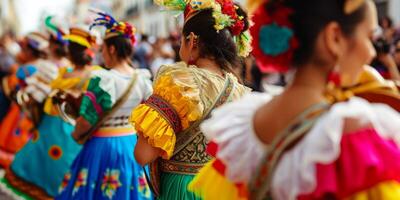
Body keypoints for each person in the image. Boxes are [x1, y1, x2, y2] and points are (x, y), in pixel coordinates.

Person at [189, 0, 400, 199]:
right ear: (334, 37)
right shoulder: (351, 134)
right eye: (368, 37)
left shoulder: (245, 126)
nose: (371, 52)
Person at [129, 0, 251, 199]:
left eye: (181, 41)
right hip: (219, 188)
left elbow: (143, 155)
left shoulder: (179, 84)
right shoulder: (239, 91)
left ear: (192, 40)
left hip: (183, 188)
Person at [56, 12, 153, 200]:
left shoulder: (103, 80)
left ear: (112, 49)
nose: (101, 54)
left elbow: (87, 120)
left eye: (103, 50)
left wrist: (76, 134)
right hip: (132, 146)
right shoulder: (142, 79)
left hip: (103, 147)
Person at [2, 27, 98, 200]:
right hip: (64, 126)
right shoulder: (76, 72)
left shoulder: (84, 75)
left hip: (60, 126)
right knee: (59, 166)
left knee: (53, 166)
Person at [0, 32, 49, 168]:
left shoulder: (27, 68)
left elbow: (11, 86)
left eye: (24, 49)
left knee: (10, 139)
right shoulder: (42, 66)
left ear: (30, 51)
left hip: (19, 111)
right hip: (29, 113)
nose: (21, 52)